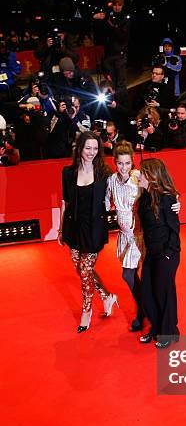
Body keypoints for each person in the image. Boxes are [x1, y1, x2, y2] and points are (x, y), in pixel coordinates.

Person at [106, 142, 181, 332]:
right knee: (130, 276)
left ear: (133, 163)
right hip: (125, 235)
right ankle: (146, 310)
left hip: (143, 235)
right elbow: (106, 203)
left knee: (152, 279)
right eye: (120, 163)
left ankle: (144, 314)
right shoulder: (111, 181)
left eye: (128, 163)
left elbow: (163, 187)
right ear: (115, 163)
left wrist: (177, 202)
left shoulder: (138, 176)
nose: (124, 168)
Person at [58, 131, 118, 333]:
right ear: (79, 149)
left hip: (94, 229)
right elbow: (65, 201)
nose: (91, 152)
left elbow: (122, 185)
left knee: (85, 271)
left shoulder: (104, 172)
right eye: (88, 148)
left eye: (95, 148)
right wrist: (60, 228)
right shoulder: (68, 172)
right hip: (73, 228)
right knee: (81, 269)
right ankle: (107, 296)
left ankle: (87, 310)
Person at [138, 158, 181, 349]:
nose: (139, 175)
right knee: (147, 291)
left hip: (166, 252)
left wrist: (169, 253)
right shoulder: (145, 197)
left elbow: (174, 228)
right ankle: (157, 327)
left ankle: (169, 332)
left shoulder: (167, 198)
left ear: (151, 176)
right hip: (151, 252)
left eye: (142, 173)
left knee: (164, 292)